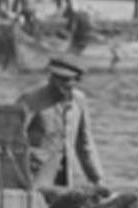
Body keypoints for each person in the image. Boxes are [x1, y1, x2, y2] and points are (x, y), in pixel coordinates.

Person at [20, 45, 106, 195]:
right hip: (35, 179)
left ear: (77, 80)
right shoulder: (31, 101)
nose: (60, 84)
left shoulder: (79, 101)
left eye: (66, 80)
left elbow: (85, 145)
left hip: (64, 178)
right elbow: (13, 141)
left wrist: (98, 180)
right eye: (56, 78)